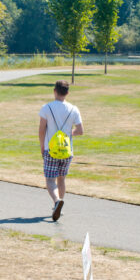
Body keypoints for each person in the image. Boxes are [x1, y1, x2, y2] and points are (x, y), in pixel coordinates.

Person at [38, 80, 83, 221]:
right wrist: (69, 134)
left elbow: (41, 130)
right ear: (67, 93)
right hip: (66, 150)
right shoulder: (74, 109)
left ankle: (57, 201)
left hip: (51, 149)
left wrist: (42, 146)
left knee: (50, 180)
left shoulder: (47, 108)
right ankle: (60, 204)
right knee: (61, 179)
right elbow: (80, 131)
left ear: (54, 91)